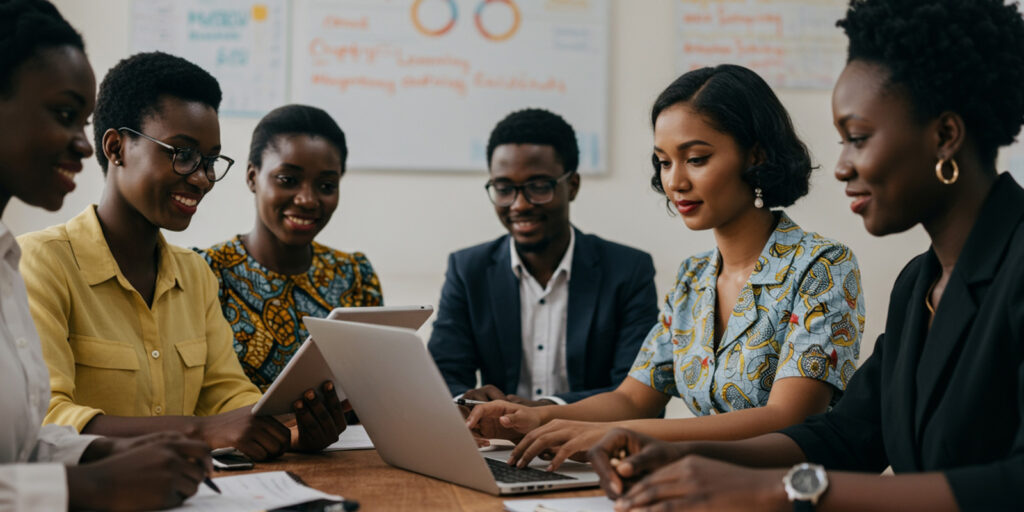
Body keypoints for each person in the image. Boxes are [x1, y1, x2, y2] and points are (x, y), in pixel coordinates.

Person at [585, 1, 1024, 511]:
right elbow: (846, 435)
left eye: (857, 139)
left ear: (945, 136)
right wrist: (674, 449)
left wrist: (775, 491)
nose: (840, 167)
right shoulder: (918, 284)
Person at [466, 65, 865, 471]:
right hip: (698, 487)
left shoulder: (822, 265)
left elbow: (788, 419)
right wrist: (538, 418)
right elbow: (632, 399)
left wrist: (626, 437)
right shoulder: (694, 277)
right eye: (663, 161)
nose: (674, 181)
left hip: (788, 493)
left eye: (695, 159)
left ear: (756, 154)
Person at [19, 51, 347, 462]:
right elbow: (47, 419)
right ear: (117, 147)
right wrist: (200, 430)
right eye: (182, 153)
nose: (202, 177)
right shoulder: (41, 263)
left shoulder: (195, 273)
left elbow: (226, 393)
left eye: (211, 160)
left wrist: (289, 430)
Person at [0, 1, 212, 509]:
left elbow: (23, 448)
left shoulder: (4, 265)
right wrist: (98, 484)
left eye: (86, 119)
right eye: (65, 115)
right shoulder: (36, 261)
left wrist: (116, 452)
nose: (83, 144)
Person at [427, 108, 658, 407]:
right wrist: (468, 401)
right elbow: (442, 376)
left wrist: (543, 411)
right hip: (499, 445)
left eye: (538, 187)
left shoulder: (628, 270)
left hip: (590, 444)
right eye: (504, 188)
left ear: (572, 185)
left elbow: (637, 392)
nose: (519, 205)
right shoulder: (468, 269)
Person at [198, 104, 382, 392]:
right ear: (251, 177)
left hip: (349, 439)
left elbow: (376, 390)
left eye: (326, 185)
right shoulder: (207, 273)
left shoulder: (355, 276)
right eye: (288, 180)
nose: (307, 199)